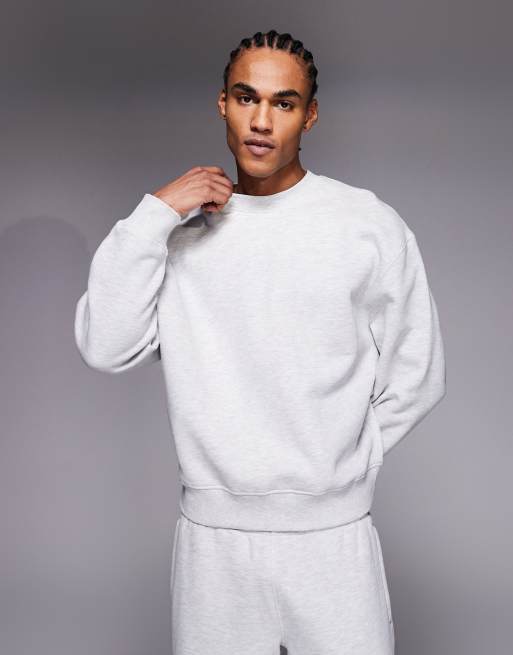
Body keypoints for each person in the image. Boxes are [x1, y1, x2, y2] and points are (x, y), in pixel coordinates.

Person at [74, 29, 446, 655]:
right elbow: (105, 346)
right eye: (247, 98)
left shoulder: (365, 226)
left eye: (284, 103)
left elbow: (419, 372)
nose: (262, 122)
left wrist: (344, 466)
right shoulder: (179, 239)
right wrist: (155, 213)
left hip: (332, 540)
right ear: (223, 103)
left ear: (310, 115)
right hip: (213, 544)